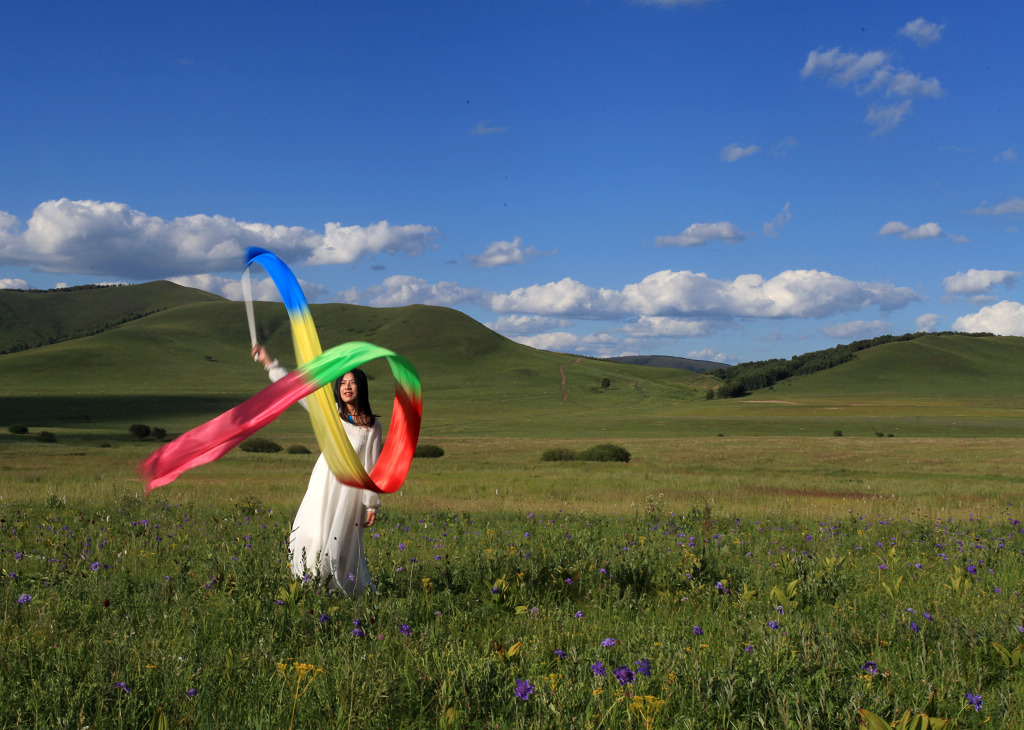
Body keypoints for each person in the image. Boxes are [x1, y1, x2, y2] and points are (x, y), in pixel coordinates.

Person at [252, 344, 382, 596]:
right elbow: (297, 391)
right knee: (315, 534)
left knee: (341, 541)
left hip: (350, 492)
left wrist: (371, 504)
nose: (346, 387)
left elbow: (371, 467)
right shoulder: (331, 413)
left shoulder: (372, 426)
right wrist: (270, 363)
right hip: (323, 483)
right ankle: (311, 587)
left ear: (361, 387)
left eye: (352, 383)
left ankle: (338, 589)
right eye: (342, 382)